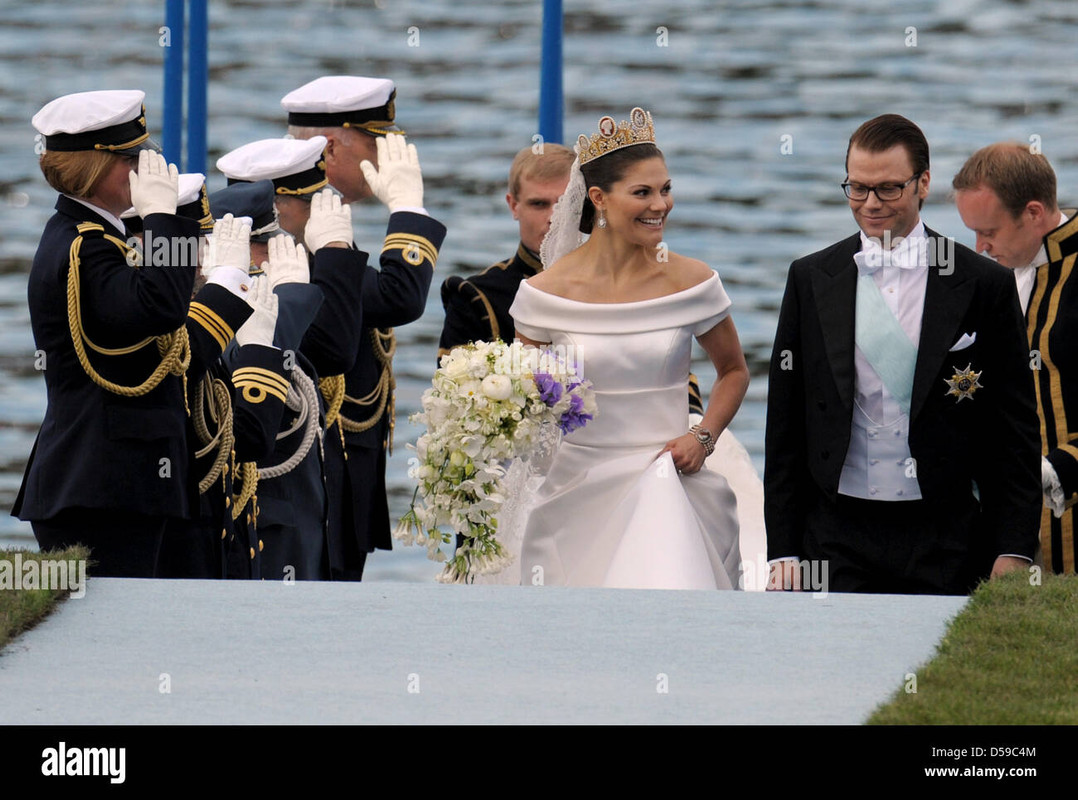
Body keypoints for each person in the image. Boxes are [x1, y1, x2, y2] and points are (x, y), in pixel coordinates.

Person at [764, 114, 1041, 595]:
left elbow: (1014, 430)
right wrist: (783, 549)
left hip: (946, 531)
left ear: (923, 184)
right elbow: (785, 424)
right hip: (835, 533)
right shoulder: (809, 278)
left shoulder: (984, 284)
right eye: (857, 188)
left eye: (889, 189)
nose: (870, 204)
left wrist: (1013, 548)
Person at [507, 108, 749, 589]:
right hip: (576, 489)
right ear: (598, 198)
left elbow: (734, 371)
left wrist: (703, 438)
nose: (660, 204)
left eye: (665, 189)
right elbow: (524, 400)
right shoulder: (544, 294)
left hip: (669, 475)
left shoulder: (692, 281)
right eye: (642, 192)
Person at [13, 90, 202, 576]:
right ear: (93, 167)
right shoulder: (85, 247)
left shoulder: (97, 237)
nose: (146, 167)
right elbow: (161, 308)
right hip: (100, 484)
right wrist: (164, 220)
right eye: (133, 158)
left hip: (116, 481)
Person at [282, 75, 447, 580]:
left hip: (343, 467)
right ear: (331, 147)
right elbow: (397, 297)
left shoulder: (326, 216)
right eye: (380, 141)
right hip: (303, 470)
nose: (392, 154)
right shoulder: (289, 220)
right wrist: (407, 207)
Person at [952, 142, 1078, 574]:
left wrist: (1059, 467)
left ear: (1034, 213)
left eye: (989, 232)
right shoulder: (987, 281)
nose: (980, 247)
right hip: (1007, 526)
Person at [438, 144, 574, 357]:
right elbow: (452, 388)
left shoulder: (620, 282)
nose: (553, 218)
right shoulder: (476, 297)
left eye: (564, 204)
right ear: (513, 206)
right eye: (539, 204)